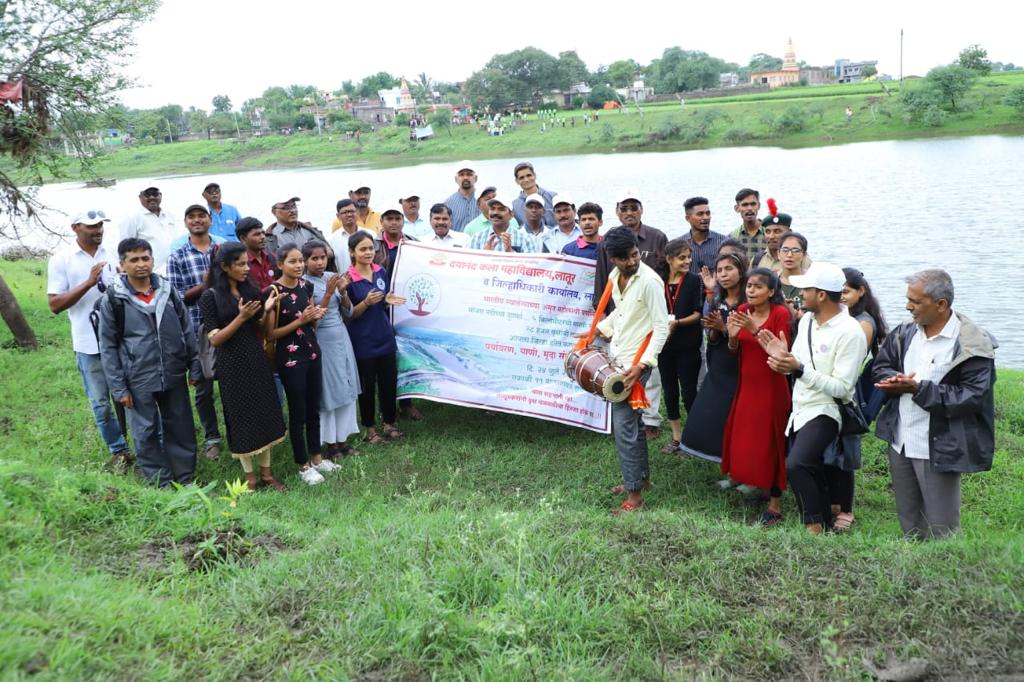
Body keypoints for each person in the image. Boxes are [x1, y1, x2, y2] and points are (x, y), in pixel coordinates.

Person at [872, 269, 997, 540]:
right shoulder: (905, 333)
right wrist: (892, 381)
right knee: (909, 517)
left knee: (942, 526)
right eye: (908, 300)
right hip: (901, 439)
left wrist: (918, 389)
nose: (908, 307)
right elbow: (881, 366)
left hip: (939, 444)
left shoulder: (971, 343)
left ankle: (946, 572)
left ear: (941, 305)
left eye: (915, 302)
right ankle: (914, 570)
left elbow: (972, 397)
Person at [758, 262, 868, 535]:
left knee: (797, 463)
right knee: (811, 465)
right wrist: (783, 357)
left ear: (821, 294)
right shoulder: (807, 320)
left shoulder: (850, 332)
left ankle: (813, 526)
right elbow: (798, 362)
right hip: (801, 407)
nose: (799, 293)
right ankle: (823, 522)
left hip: (827, 409)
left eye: (805, 289)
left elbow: (842, 388)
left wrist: (799, 370)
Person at [99, 238, 200, 487]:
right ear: (122, 264)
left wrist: (194, 363)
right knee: (145, 431)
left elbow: (186, 329)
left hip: (173, 370)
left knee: (180, 425)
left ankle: (184, 477)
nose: (141, 264)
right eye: (134, 260)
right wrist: (119, 388)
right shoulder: (114, 299)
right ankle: (160, 481)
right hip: (138, 375)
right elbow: (108, 346)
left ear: (153, 260)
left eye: (145, 258)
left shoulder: (168, 291)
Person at [593, 226, 669, 513]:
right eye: (625, 258)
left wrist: (642, 365)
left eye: (635, 255)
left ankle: (634, 497)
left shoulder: (650, 281)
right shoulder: (615, 276)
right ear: (613, 258)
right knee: (634, 428)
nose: (632, 261)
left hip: (636, 363)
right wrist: (599, 330)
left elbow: (662, 327)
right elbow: (621, 312)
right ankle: (640, 481)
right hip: (620, 358)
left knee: (624, 429)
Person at [199, 243, 287, 491]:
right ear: (225, 267)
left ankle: (268, 475)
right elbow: (215, 339)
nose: (246, 268)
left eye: (247, 263)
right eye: (240, 264)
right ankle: (250, 478)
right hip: (231, 364)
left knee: (264, 412)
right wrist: (241, 318)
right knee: (241, 418)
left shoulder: (251, 290)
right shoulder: (211, 297)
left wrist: (266, 311)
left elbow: (260, 329)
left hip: (255, 359)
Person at [47, 209, 129, 470]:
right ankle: (119, 450)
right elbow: (55, 305)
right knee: (101, 402)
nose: (98, 230)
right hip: (88, 344)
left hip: (122, 340)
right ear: (75, 228)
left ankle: (145, 444)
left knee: (131, 395)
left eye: (101, 225)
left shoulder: (115, 253)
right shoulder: (62, 260)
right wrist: (88, 282)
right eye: (91, 226)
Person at [720, 267, 792, 526]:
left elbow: (780, 355)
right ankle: (755, 483)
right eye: (749, 286)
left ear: (771, 292)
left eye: (758, 287)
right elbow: (734, 350)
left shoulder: (780, 314)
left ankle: (775, 504)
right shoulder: (741, 312)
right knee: (746, 438)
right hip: (748, 384)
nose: (751, 291)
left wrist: (752, 329)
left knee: (770, 441)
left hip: (771, 386)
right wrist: (731, 338)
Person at [822, 267, 890, 530]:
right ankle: (832, 503)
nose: (841, 296)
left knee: (845, 452)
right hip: (836, 391)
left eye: (846, 292)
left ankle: (845, 509)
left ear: (861, 291)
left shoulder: (862, 322)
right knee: (830, 447)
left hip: (852, 395)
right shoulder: (844, 317)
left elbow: (851, 359)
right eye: (838, 291)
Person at [265, 245, 334, 486]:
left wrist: (313, 317)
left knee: (313, 408)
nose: (298, 266)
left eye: (300, 261)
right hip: (289, 358)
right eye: (292, 261)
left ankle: (317, 457)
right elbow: (271, 333)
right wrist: (300, 321)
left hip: (312, 352)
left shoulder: (306, 286)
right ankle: (302, 465)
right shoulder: (274, 292)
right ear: (280, 264)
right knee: (298, 412)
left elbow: (310, 321)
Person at [167, 204, 224, 460]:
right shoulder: (178, 256)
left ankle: (237, 432)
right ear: (186, 222)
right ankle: (212, 437)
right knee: (203, 386)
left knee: (232, 383)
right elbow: (177, 299)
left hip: (227, 325)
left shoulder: (221, 250)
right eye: (192, 216)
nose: (197, 220)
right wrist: (204, 285)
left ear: (210, 220)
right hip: (196, 328)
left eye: (202, 216)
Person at [679, 252, 746, 463]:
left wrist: (723, 328)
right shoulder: (718, 298)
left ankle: (741, 466)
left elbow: (750, 337)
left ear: (741, 271)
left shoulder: (748, 301)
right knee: (714, 414)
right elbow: (713, 336)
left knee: (739, 418)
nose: (723, 275)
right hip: (719, 364)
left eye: (729, 269)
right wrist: (715, 330)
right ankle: (727, 462)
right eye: (720, 271)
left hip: (741, 366)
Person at [344, 232, 407, 444]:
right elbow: (349, 314)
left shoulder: (380, 271)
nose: (368, 253)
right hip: (363, 341)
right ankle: (370, 429)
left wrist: (386, 300)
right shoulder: (348, 279)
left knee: (389, 383)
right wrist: (366, 303)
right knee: (367, 387)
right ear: (352, 252)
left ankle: (389, 423)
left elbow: (383, 302)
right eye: (362, 249)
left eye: (370, 248)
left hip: (384, 336)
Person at [302, 240, 362, 459]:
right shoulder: (304, 284)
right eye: (314, 258)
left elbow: (349, 313)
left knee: (346, 387)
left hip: (342, 338)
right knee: (329, 391)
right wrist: (328, 294)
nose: (319, 262)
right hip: (322, 340)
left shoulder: (331, 276)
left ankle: (343, 440)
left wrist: (343, 293)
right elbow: (312, 322)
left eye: (323, 258)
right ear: (305, 261)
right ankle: (330, 444)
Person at [657, 239, 704, 453]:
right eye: (682, 257)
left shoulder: (694, 280)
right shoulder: (658, 281)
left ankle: (694, 438)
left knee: (688, 392)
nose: (688, 261)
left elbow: (698, 313)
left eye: (689, 257)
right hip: (663, 347)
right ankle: (677, 437)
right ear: (669, 259)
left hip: (687, 345)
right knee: (669, 391)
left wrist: (676, 323)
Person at [119, 186, 181, 275]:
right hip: (152, 273)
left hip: (176, 271)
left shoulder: (170, 215)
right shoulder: (132, 217)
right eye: (147, 194)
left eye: (155, 194)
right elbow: (124, 247)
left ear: (160, 195)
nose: (152, 197)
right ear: (140, 197)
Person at [469, 194, 537, 252]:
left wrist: (511, 253)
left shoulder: (524, 239)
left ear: (511, 215)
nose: (495, 212)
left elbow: (532, 266)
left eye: (501, 209)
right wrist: (485, 256)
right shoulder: (477, 238)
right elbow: (467, 264)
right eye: (492, 209)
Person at [681, 196, 726, 274]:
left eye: (708, 213)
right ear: (688, 218)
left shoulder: (723, 242)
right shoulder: (680, 244)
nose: (705, 217)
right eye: (700, 214)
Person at [374, 206, 420, 275]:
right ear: (381, 221)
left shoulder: (414, 242)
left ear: (403, 221)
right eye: (389, 219)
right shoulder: (373, 245)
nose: (394, 223)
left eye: (398, 219)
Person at [235, 217, 277, 291]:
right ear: (243, 238)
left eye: (263, 233)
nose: (263, 237)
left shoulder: (273, 258)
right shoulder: (238, 264)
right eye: (257, 234)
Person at [511, 161, 556, 227]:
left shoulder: (553, 197)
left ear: (534, 175)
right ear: (517, 181)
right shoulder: (514, 206)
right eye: (521, 178)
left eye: (529, 175)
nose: (526, 180)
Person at [729, 188, 766, 263]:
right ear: (737, 208)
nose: (749, 208)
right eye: (745, 205)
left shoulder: (770, 233)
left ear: (758, 206)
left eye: (753, 204)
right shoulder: (733, 237)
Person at [778, 231, 809, 318]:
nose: (789, 255)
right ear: (778, 254)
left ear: (804, 255)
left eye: (796, 250)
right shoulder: (771, 281)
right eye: (785, 250)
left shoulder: (812, 281)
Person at [445, 161, 480, 232]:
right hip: (457, 242)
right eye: (461, 175)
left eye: (469, 174)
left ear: (476, 178)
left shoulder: (484, 200)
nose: (465, 178)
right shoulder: (448, 203)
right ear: (456, 179)